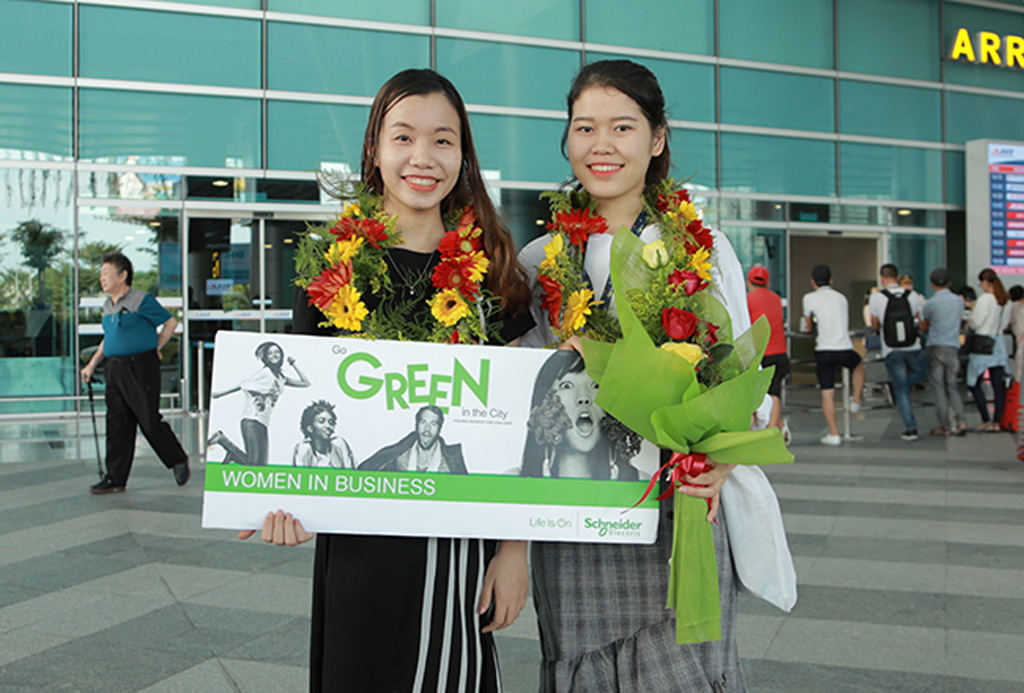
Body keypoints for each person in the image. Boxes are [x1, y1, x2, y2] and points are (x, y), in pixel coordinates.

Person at [245, 69, 535, 693]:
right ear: (375, 149)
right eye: (403, 138)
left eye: (443, 140)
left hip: (456, 547)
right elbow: (307, 406)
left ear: (464, 154)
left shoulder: (493, 273)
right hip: (359, 547)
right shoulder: (331, 270)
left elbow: (519, 427)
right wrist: (281, 499)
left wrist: (515, 550)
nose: (422, 158)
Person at [518, 59, 759, 693]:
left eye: (622, 127)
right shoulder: (536, 261)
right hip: (572, 521)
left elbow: (743, 384)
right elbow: (517, 400)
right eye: (584, 128)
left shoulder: (702, 252)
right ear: (567, 139)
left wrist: (725, 459)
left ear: (655, 141)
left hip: (676, 516)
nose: (601, 146)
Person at [79, 252, 189, 494]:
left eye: (106, 273)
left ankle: (177, 459)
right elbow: (108, 339)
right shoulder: (108, 306)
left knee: (148, 419)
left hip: (140, 366)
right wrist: (92, 365)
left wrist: (156, 347)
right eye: (101, 275)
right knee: (117, 423)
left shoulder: (142, 300)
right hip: (114, 368)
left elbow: (170, 323)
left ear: (123, 274)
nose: (102, 279)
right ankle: (115, 478)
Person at [520, 350, 643, 481]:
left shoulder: (643, 483)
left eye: (596, 385)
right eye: (567, 385)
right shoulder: (513, 480)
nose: (584, 397)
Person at [207, 341, 311, 466]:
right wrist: (220, 393)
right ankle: (223, 441)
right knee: (255, 465)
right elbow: (243, 384)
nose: (274, 355)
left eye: (277, 352)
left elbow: (305, 383)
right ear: (266, 357)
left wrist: (294, 364)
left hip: (263, 422)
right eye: (270, 353)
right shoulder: (265, 372)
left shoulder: (281, 377)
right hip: (252, 419)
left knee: (260, 466)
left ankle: (232, 453)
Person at [801, 263, 865, 446]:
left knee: (827, 393)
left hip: (824, 350)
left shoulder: (809, 298)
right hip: (844, 348)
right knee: (859, 366)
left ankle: (834, 434)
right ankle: (856, 400)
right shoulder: (841, 298)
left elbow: (808, 324)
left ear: (813, 282)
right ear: (831, 280)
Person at [869, 263, 926, 441]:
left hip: (891, 348)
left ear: (882, 278)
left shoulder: (877, 298)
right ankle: (900, 386)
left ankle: (911, 428)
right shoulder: (913, 295)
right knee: (921, 373)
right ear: (898, 277)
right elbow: (919, 319)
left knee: (902, 390)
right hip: (913, 346)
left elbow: (875, 324)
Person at [919, 268, 967, 436]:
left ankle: (945, 425)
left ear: (932, 284)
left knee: (938, 387)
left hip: (935, 346)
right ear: (950, 283)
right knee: (953, 386)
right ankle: (961, 422)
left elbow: (924, 326)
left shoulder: (930, 303)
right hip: (952, 346)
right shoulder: (958, 301)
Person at [745, 265, 790, 435]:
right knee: (774, 392)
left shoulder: (748, 300)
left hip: (762, 353)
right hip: (780, 352)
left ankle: (767, 432)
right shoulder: (776, 298)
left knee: (762, 395)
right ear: (768, 282)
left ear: (748, 282)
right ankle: (775, 430)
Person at [360, 404, 468, 473]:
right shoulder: (400, 457)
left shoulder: (451, 461)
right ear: (416, 425)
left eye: (433, 424)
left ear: (440, 429)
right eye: (423, 422)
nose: (427, 429)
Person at [967, 268, 1012, 432]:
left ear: (985, 282)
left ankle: (985, 419)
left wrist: (972, 314)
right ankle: (997, 422)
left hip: (983, 343)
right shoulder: (1005, 299)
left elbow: (976, 323)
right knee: (998, 384)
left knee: (974, 382)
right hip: (998, 342)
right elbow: (1005, 324)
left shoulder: (985, 298)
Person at [292, 400, 354, 468]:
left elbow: (351, 474)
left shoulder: (339, 445)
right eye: (321, 421)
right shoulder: (304, 449)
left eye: (331, 422)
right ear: (310, 428)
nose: (328, 426)